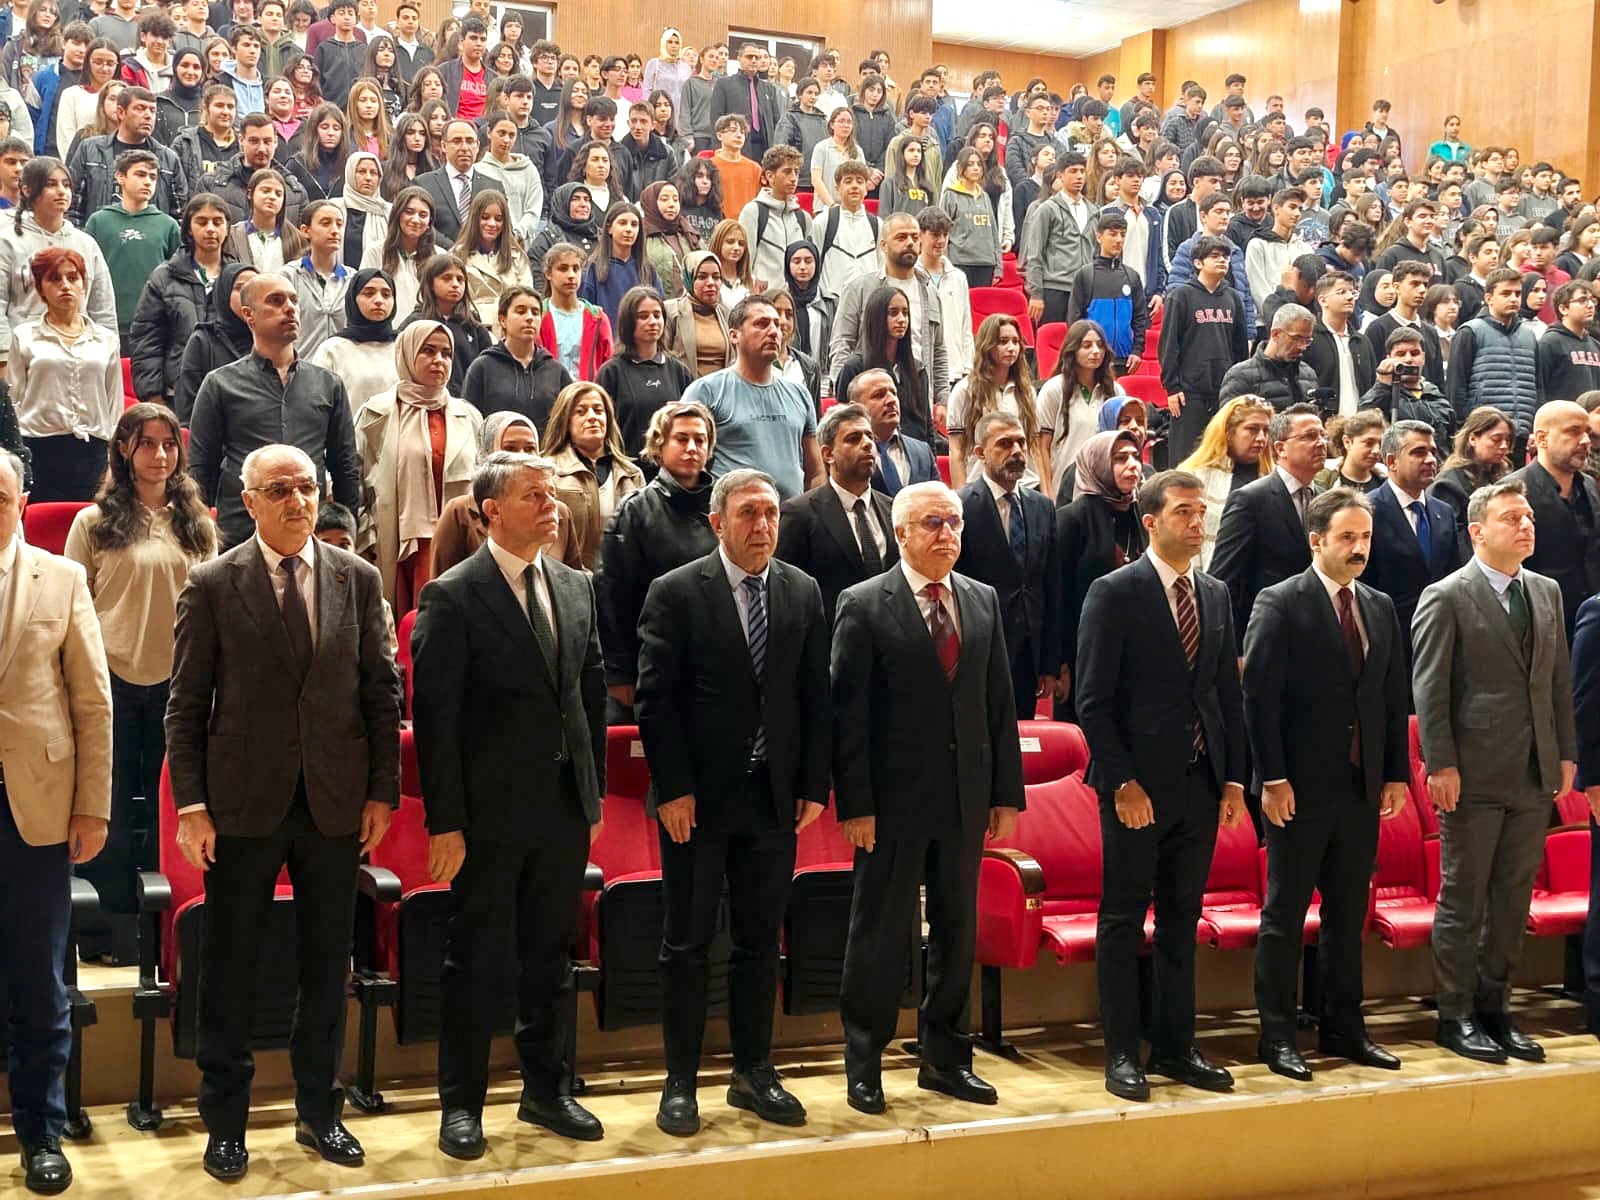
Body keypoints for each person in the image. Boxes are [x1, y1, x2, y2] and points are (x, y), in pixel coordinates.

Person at [165, 441, 399, 1180]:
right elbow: (184, 708)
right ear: (251, 501)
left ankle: (318, 1112)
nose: (298, 501)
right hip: (241, 803)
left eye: (307, 486)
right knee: (230, 968)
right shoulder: (211, 582)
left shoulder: (357, 579)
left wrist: (383, 791)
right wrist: (192, 805)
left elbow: (380, 694)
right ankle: (226, 1124)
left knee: (328, 966)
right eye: (281, 490)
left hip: (333, 801)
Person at [410, 450, 607, 1159]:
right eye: (534, 495)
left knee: (550, 956)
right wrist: (447, 822)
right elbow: (436, 720)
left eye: (552, 494)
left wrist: (592, 793)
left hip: (561, 808)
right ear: (492, 510)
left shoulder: (577, 587)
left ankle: (546, 1090)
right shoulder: (453, 595)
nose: (551, 505)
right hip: (488, 814)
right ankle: (461, 1106)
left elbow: (586, 697)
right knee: (476, 959)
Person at [634, 466, 829, 1135]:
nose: (763, 526)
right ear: (718, 522)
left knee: (757, 943)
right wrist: (674, 787)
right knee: (687, 944)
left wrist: (812, 784)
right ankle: (681, 1082)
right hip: (698, 800)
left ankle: (753, 1072)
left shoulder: (801, 591)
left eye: (772, 513)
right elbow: (656, 703)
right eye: (748, 513)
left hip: (772, 796)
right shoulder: (677, 592)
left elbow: (813, 699)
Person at [832, 479, 1024, 1114]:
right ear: (901, 533)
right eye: (934, 524)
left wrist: (1005, 794)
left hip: (966, 794)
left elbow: (999, 704)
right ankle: (865, 1060)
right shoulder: (863, 603)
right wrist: (855, 802)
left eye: (955, 523)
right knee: (880, 931)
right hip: (890, 801)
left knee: (956, 929)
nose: (948, 534)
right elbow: (848, 715)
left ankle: (946, 1058)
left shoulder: (982, 599)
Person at [1075, 469, 1247, 1101]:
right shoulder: (1114, 591)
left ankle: (1176, 1046)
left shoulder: (1218, 593)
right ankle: (1122, 1052)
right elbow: (1092, 703)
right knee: (1123, 919)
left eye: (1201, 511)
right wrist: (1121, 782)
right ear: (1150, 522)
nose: (1197, 521)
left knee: (1182, 920)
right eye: (1183, 512)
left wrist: (1233, 779)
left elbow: (1227, 695)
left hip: (1200, 783)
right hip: (1136, 789)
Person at [1244, 488, 1410, 1081]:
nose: (1359, 547)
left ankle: (1344, 1027)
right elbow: (1259, 701)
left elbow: (1392, 700)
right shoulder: (1280, 602)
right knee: (1285, 914)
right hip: (1299, 787)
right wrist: (1273, 778)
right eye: (1347, 537)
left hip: (1361, 787)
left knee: (1347, 913)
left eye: (1365, 537)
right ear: (1316, 540)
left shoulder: (1381, 605)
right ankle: (1278, 1035)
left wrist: (1394, 773)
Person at [1412, 479, 1577, 1065]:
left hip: (1533, 771)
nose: (1526, 525)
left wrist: (1565, 755)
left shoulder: (1547, 590)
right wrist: (1441, 764)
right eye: (1513, 518)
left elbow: (1557, 681)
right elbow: (1429, 691)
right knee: (1465, 898)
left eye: (1529, 516)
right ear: (1478, 532)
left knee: (1512, 898)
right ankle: (1453, 1014)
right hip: (1473, 772)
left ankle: (1495, 1008)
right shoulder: (1446, 595)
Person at [0, 446, 113, 1195]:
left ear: (20, 497)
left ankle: (41, 1127)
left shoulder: (62, 577)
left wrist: (92, 806)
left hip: (34, 807)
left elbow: (93, 701)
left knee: (39, 978)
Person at [64, 402, 214, 962]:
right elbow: (72, 607)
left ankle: (164, 932)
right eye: (147, 443)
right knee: (110, 808)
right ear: (123, 450)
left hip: (180, 681)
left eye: (169, 444)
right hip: (109, 681)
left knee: (166, 809)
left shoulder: (197, 523)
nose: (160, 454)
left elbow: (214, 602)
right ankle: (106, 933)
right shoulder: (93, 522)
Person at [189, 273, 360, 548]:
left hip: (309, 531)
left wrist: (347, 530)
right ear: (249, 315)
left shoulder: (328, 384)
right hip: (240, 533)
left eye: (293, 300)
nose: (290, 308)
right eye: (276, 301)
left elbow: (345, 467)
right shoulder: (220, 384)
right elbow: (201, 469)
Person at [594, 400, 717, 717]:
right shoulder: (635, 509)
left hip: (711, 661)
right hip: (652, 660)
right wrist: (619, 671)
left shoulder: (723, 505)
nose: (692, 448)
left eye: (700, 440)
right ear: (660, 446)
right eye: (681, 439)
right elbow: (612, 592)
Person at [354, 319, 481, 614]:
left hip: (456, 543)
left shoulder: (469, 416)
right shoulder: (375, 413)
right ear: (407, 355)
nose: (439, 360)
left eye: (446, 353)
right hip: (398, 543)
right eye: (428, 351)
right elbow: (358, 480)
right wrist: (366, 536)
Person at [954, 409, 1059, 715]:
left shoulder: (1042, 507)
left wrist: (1050, 662)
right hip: (980, 647)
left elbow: (1050, 587)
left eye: (1020, 442)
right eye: (1003, 444)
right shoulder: (960, 506)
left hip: (1029, 649)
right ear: (980, 453)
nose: (1015, 451)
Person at [8, 245, 122, 502]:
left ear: (84, 284)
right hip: (38, 449)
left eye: (73, 277)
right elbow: (13, 402)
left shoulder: (106, 340)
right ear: (40, 289)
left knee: (90, 531)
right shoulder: (24, 336)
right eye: (54, 278)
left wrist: (114, 462)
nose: (65, 285)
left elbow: (114, 407)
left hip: (91, 451)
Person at [685, 295, 820, 501]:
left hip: (790, 521)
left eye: (776, 324)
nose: (774, 331)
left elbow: (816, 472)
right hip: (733, 522)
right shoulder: (706, 391)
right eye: (762, 324)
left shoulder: (799, 393)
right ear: (734, 335)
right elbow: (686, 465)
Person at [774, 401, 897, 625]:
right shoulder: (798, 514)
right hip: (830, 640)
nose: (867, 444)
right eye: (854, 438)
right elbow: (787, 593)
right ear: (828, 454)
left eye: (869, 436)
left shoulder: (893, 508)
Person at [828, 213, 950, 438]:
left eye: (915, 237)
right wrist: (842, 390)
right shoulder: (860, 287)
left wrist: (942, 399)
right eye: (901, 237)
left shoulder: (930, 290)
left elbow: (939, 350)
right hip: (870, 404)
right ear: (884, 245)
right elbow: (842, 341)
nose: (910, 243)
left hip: (915, 399)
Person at [1211, 403, 1327, 638]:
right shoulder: (1250, 500)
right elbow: (1225, 579)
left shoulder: (1325, 497)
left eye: (1323, 436)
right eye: (1310, 436)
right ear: (1281, 448)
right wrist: (1235, 648)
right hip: (1266, 632)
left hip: (1318, 632)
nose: (1321, 443)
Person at [428, 413, 583, 577]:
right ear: (488, 453)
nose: (521, 456)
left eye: (530, 449)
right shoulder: (460, 511)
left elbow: (572, 584)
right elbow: (443, 584)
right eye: (510, 448)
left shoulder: (559, 512)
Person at [0, 156, 116, 374]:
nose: (62, 191)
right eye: (51, 184)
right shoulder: (7, 242)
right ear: (27, 190)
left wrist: (109, 355)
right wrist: (5, 360)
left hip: (81, 358)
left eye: (66, 184)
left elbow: (103, 309)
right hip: (25, 359)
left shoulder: (86, 244)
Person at [1362, 419, 1461, 656]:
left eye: (1433, 452)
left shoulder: (1443, 511)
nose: (1430, 460)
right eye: (1418, 452)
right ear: (1391, 461)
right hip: (1389, 639)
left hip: (1441, 636)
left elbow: (1453, 575)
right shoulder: (1368, 510)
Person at [1504, 400, 1600, 638]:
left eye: (1587, 432)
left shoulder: (1588, 485)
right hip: (1541, 625)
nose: (1586, 441)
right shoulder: (1511, 491)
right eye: (1573, 432)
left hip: (1591, 619)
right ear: (1542, 438)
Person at [129, 191, 232, 407]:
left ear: (228, 227)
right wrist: (152, 394)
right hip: (177, 391)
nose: (210, 229)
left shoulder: (240, 277)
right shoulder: (165, 276)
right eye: (201, 222)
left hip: (229, 391)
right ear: (188, 229)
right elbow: (147, 339)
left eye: (217, 222)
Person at [1160, 234, 1250, 463]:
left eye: (1226, 257)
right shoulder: (1181, 296)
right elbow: (1169, 344)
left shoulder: (1233, 298)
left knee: (1221, 458)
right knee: (1185, 458)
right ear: (1198, 263)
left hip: (1223, 391)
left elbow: (1240, 349)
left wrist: (1238, 386)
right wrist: (1172, 387)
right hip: (1189, 393)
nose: (1222, 261)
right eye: (1215, 256)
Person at [1447, 267, 1542, 458]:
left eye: (1517, 293)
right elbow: (1456, 387)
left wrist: (1535, 427)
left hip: (1520, 433)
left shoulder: (1529, 336)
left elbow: (1538, 387)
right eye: (1506, 293)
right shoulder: (1470, 332)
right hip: (1483, 432)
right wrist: (1465, 426)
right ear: (1489, 298)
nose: (1513, 298)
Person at [1177, 395, 1274, 571]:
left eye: (1266, 431)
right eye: (1252, 429)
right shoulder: (1194, 476)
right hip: (1211, 578)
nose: (1261, 438)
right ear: (1228, 433)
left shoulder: (1274, 478)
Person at [594, 285, 693, 454]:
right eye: (643, 316)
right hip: (627, 469)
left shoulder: (679, 371)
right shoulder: (612, 372)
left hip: (671, 469)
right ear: (629, 321)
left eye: (657, 315)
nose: (652, 322)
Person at [309, 266, 397, 416]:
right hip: (348, 437)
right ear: (352, 299)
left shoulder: (403, 347)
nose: (378, 300)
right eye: (369, 293)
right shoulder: (332, 349)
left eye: (386, 294)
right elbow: (317, 406)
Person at [176, 261, 257, 423]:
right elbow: (187, 407)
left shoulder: (272, 338)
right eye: (240, 288)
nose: (249, 296)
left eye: (256, 289)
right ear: (224, 293)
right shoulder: (203, 340)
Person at [1431, 405, 1515, 557]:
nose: (1504, 447)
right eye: (1496, 439)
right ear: (1473, 439)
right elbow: (1449, 541)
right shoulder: (1447, 485)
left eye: (1508, 440)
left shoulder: (1505, 478)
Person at [1023, 151, 1094, 325]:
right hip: (1055, 289)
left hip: (1086, 290)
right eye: (1073, 171)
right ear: (1060, 175)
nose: (1079, 176)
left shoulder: (1094, 211)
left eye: (1082, 171)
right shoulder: (1047, 209)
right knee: (1053, 342)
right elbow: (1034, 254)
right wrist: (1037, 294)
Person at [1219, 303, 1321, 411]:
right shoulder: (1240, 376)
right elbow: (1230, 423)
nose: (1302, 347)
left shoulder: (1309, 374)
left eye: (1307, 341)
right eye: (1296, 339)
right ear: (1276, 334)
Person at [1303, 269, 1375, 416]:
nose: (1350, 297)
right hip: (1323, 422)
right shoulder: (1309, 338)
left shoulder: (1362, 341)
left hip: (1359, 424)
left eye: (1353, 292)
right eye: (1341, 292)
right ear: (1323, 300)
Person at [1538, 281, 1600, 403]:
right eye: (1582, 300)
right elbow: (1540, 388)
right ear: (1563, 309)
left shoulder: (1596, 345)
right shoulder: (1550, 343)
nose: (1590, 305)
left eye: (1592, 300)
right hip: (1561, 418)